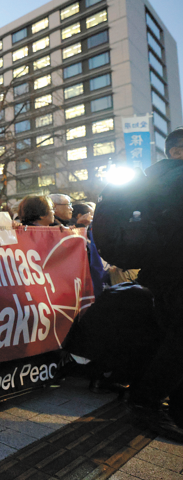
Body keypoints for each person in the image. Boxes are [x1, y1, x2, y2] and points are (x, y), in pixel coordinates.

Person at [126, 126, 183, 439]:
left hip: (161, 272)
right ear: (176, 151)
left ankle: (169, 406)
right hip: (174, 271)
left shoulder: (156, 177)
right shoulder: (175, 178)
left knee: (170, 339)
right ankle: (145, 403)